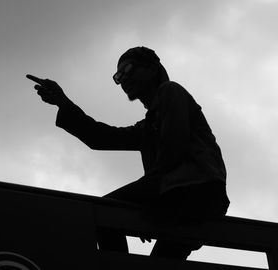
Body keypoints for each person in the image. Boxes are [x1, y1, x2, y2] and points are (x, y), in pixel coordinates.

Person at [26, 46, 230, 260]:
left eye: (128, 69)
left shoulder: (171, 91)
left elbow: (173, 148)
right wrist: (63, 102)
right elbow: (100, 138)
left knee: (104, 211)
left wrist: (146, 200)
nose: (123, 79)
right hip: (182, 197)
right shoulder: (148, 126)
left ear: (152, 68)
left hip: (197, 191)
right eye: (118, 76)